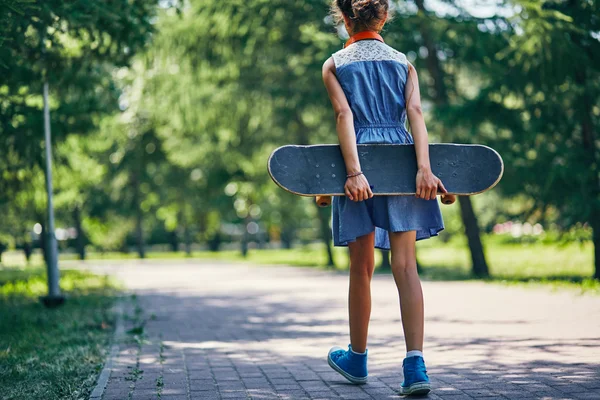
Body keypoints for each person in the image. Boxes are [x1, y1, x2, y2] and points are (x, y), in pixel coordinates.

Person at [321, 0, 446, 395]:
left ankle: (357, 358)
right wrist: (424, 169)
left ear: (343, 18)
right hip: (401, 161)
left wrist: (354, 173)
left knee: (361, 266)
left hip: (357, 160)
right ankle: (415, 367)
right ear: (384, 17)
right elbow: (416, 112)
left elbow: (345, 116)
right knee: (406, 266)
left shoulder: (334, 65)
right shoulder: (402, 61)